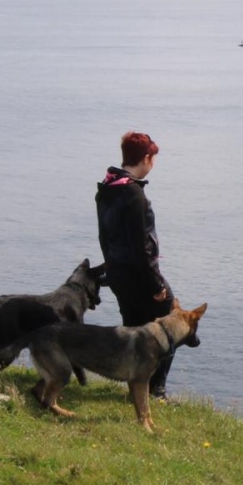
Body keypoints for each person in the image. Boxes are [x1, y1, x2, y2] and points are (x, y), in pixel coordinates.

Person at [96, 130, 177, 400]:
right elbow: (140, 248)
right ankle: (156, 391)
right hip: (137, 274)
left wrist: (111, 268)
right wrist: (155, 285)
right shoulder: (134, 195)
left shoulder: (107, 187)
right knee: (170, 326)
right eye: (152, 158)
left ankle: (135, 387)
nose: (153, 163)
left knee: (133, 330)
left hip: (118, 274)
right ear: (145, 158)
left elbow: (104, 237)